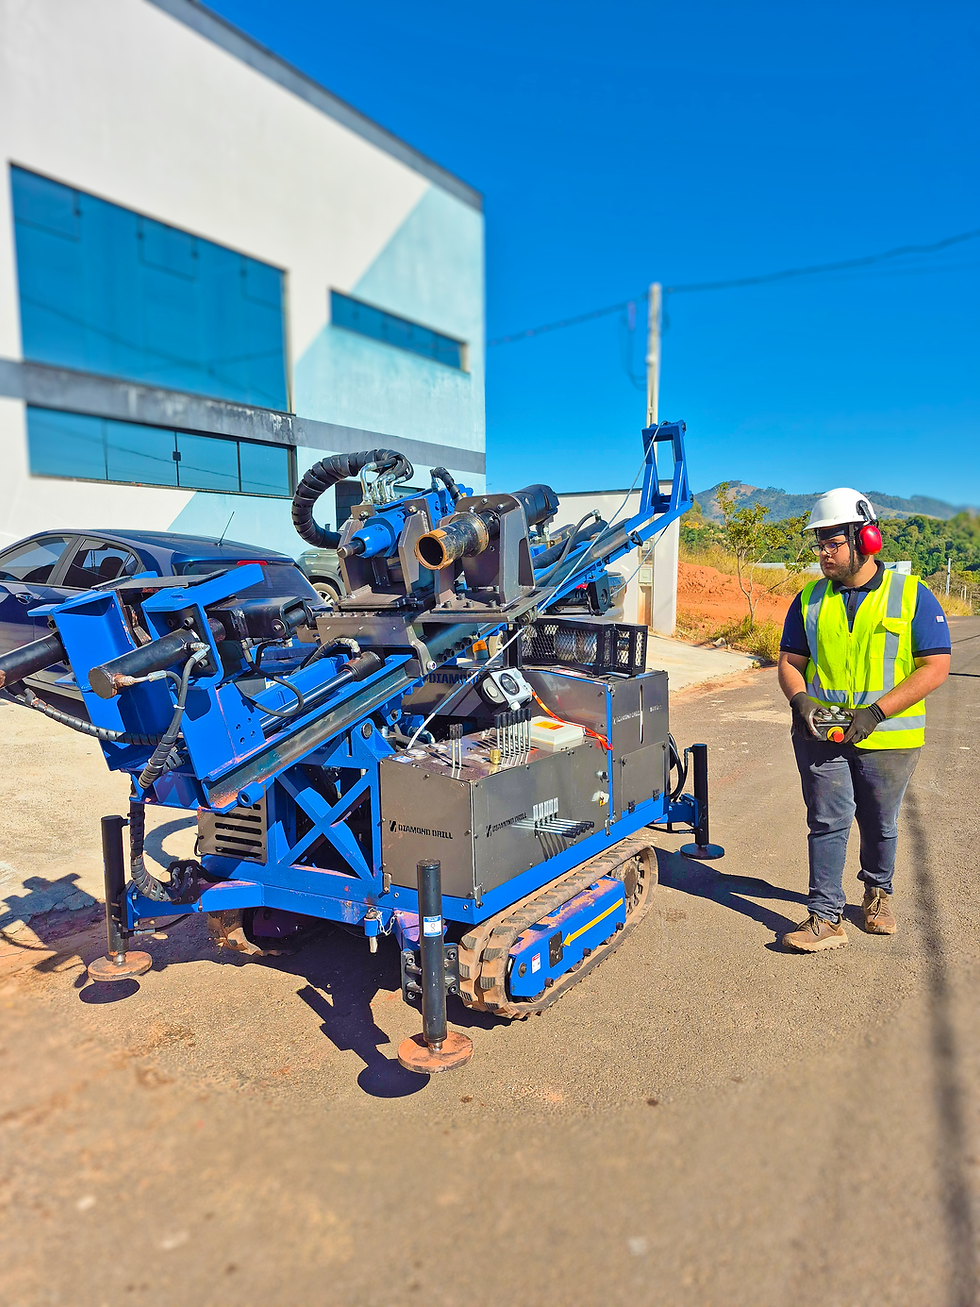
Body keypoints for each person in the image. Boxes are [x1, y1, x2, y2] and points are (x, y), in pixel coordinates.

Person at [777, 488, 951, 952]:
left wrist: (876, 712)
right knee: (827, 820)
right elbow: (790, 661)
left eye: (832, 543)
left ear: (866, 539)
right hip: (822, 732)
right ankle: (825, 915)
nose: (822, 553)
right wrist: (801, 702)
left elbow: (935, 667)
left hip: (890, 735)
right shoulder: (810, 599)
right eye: (819, 544)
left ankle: (877, 893)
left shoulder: (912, 595)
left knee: (879, 821)